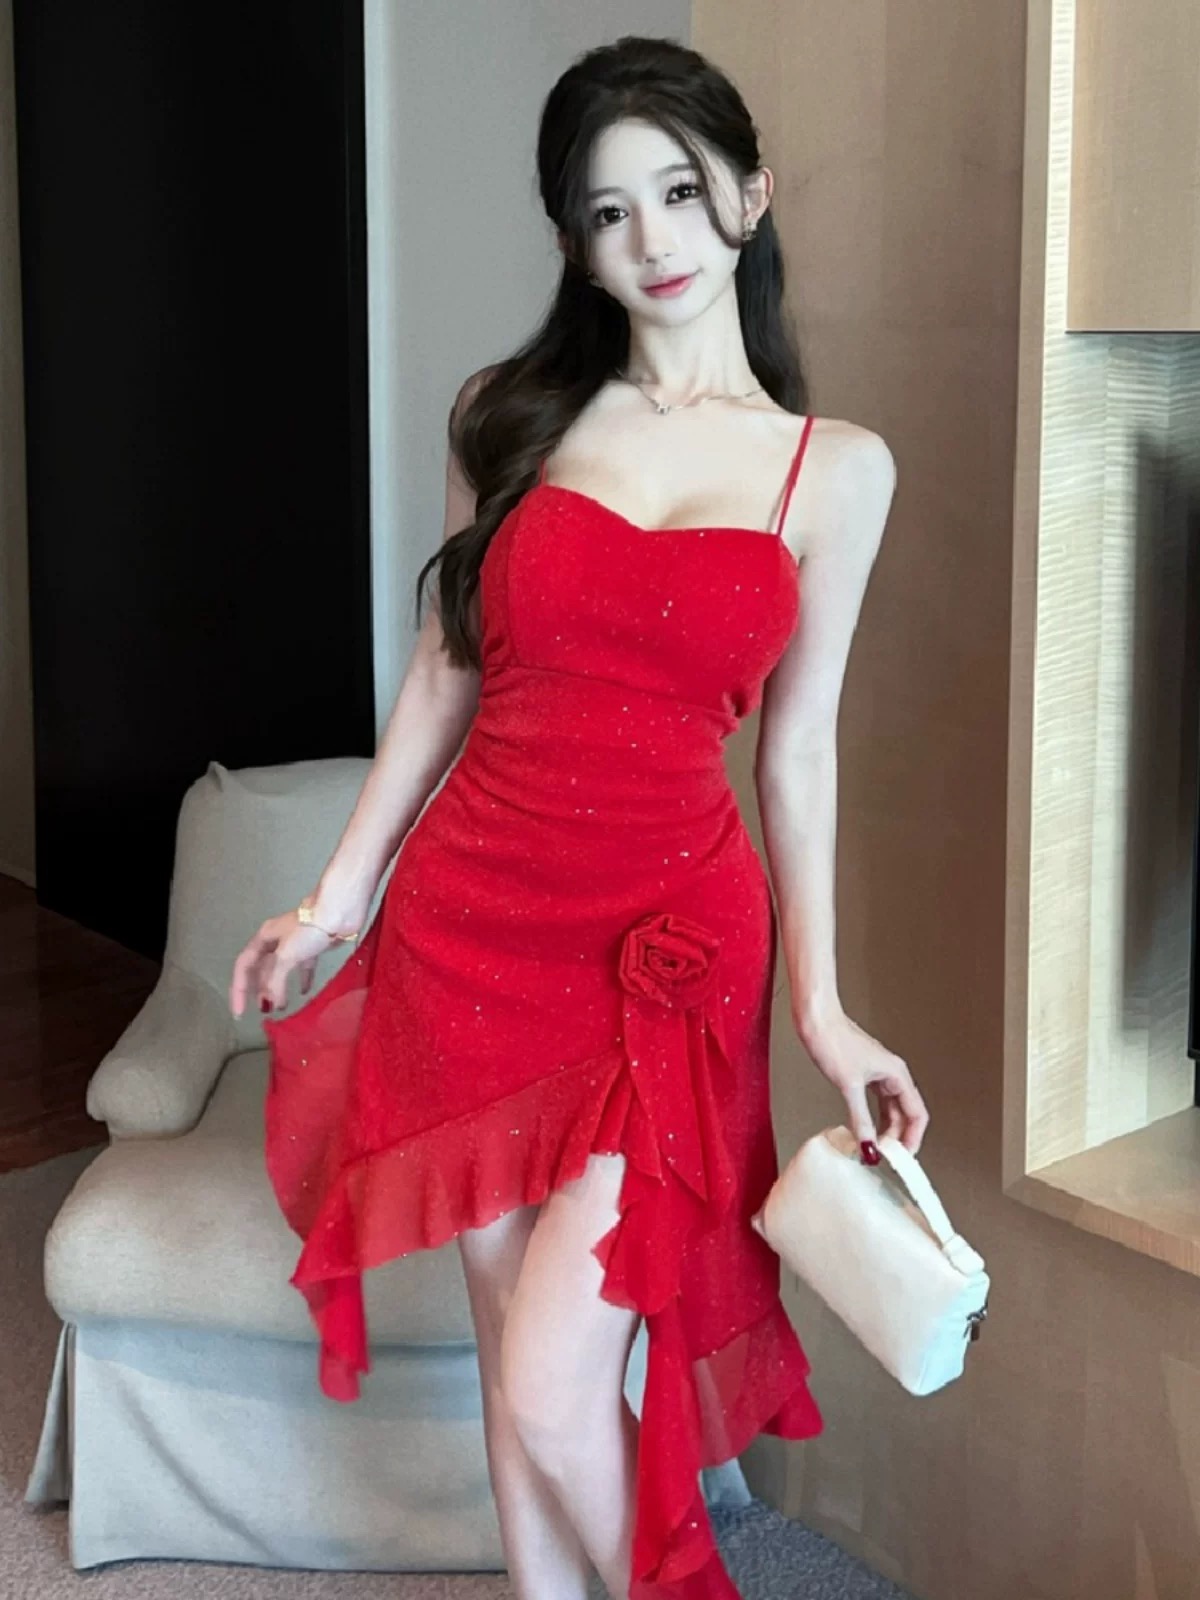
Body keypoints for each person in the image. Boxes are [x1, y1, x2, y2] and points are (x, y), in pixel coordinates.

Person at [228, 33, 928, 1600]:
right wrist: (336, 901)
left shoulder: (836, 472)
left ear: (750, 192)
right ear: (574, 240)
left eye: (679, 191)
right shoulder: (511, 415)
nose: (652, 239)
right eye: (608, 213)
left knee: (559, 1377)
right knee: (510, 1363)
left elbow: (798, 755)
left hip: (668, 947)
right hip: (473, 918)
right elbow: (444, 668)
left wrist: (823, 1010)